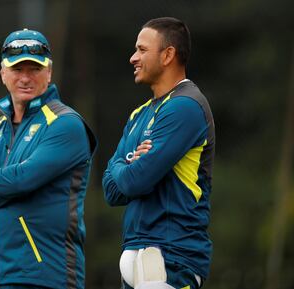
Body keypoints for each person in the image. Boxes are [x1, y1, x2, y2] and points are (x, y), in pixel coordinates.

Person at [0, 28, 97, 289]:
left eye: (35, 69)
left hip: (45, 277)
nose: (26, 78)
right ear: (3, 74)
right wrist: (15, 184)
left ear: (49, 72)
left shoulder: (66, 124)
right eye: (18, 69)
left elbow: (23, 180)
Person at [102, 17, 215, 289]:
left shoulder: (185, 106)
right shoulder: (139, 113)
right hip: (139, 254)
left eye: (142, 50)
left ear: (168, 55)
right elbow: (111, 190)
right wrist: (128, 163)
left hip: (171, 257)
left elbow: (133, 182)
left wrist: (122, 166)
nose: (133, 58)